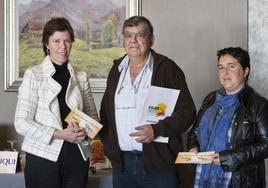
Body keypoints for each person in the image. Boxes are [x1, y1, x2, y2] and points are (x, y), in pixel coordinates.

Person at [99, 16, 196, 188]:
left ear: (151, 40)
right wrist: (110, 149)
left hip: (158, 165)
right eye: (128, 35)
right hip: (123, 166)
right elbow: (105, 115)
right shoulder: (116, 71)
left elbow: (187, 112)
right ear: (123, 40)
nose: (133, 40)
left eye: (140, 35)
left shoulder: (167, 69)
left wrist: (157, 129)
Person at [14, 17, 98, 188]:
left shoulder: (81, 76)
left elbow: (93, 118)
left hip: (77, 157)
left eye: (67, 40)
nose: (63, 46)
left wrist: (84, 131)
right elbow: (21, 123)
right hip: (43, 158)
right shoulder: (34, 75)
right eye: (57, 41)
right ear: (47, 44)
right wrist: (60, 134)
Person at [187, 47, 268, 188]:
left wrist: (229, 158)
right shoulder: (211, 99)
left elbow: (266, 144)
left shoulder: (258, 104)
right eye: (221, 67)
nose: (225, 72)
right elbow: (195, 131)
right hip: (203, 175)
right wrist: (193, 147)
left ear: (245, 71)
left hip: (239, 180)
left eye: (231, 66)